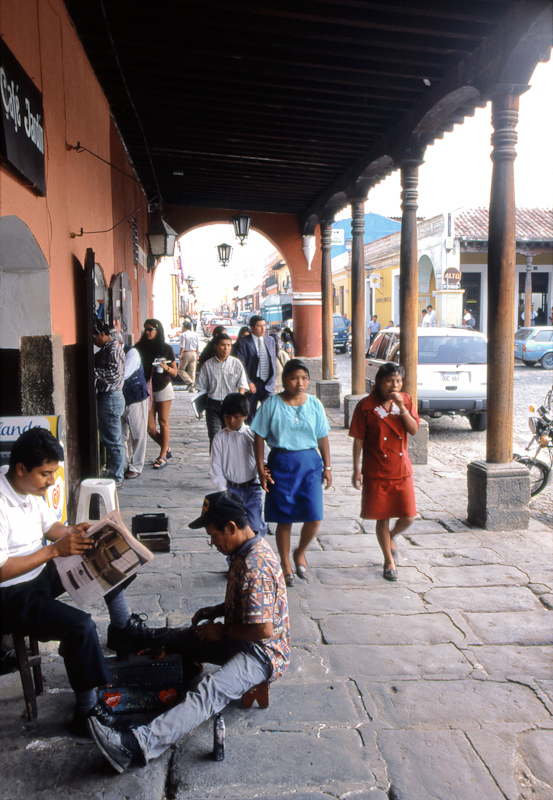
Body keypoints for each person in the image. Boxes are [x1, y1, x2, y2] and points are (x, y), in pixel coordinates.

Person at [86, 491, 291, 773]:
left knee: (208, 694)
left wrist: (222, 632)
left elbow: (263, 629)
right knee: (182, 637)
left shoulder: (256, 566)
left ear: (231, 527)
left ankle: (135, 746)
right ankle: (164, 655)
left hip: (263, 654)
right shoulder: (244, 550)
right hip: (241, 636)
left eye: (214, 535)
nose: (212, 542)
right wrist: (217, 610)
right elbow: (255, 605)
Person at [0, 428, 169, 737]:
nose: (51, 481)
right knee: (81, 626)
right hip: (10, 594)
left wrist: (73, 532)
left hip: (38, 574)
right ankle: (87, 712)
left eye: (53, 473)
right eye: (45, 474)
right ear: (21, 469)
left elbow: (49, 527)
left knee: (101, 556)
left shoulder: (29, 490)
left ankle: (122, 628)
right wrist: (54, 551)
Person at [251, 359, 331, 587]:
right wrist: (260, 468)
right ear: (284, 379)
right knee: (284, 519)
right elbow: (258, 436)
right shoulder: (271, 404)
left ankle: (300, 551)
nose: (300, 383)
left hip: (310, 465)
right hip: (282, 465)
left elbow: (322, 436)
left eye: (304, 378)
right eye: (294, 378)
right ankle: (285, 564)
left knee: (314, 516)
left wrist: (328, 466)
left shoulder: (315, 404)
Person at [349, 362, 420, 582]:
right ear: (379, 382)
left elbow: (414, 430)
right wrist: (356, 469)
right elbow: (358, 440)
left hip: (401, 467)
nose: (394, 386)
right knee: (382, 517)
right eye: (389, 381)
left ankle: (391, 536)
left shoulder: (406, 400)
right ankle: (389, 561)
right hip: (376, 469)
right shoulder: (366, 406)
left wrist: (403, 408)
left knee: (408, 516)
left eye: (398, 381)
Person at [209, 393, 268, 537]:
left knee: (255, 526)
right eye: (227, 417)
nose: (231, 421)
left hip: (252, 488)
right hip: (232, 490)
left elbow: (266, 457)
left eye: (236, 417)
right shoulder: (219, 438)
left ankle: (257, 548)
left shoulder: (253, 436)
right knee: (234, 529)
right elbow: (216, 467)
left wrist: (265, 470)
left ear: (245, 416)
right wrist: (223, 490)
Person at [135, 319, 177, 470]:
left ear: (157, 331)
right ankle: (166, 448)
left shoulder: (166, 348)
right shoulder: (140, 347)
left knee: (163, 421)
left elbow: (175, 372)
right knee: (150, 428)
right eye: (145, 329)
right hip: (147, 389)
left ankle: (162, 456)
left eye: (150, 329)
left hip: (163, 387)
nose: (147, 332)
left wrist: (166, 367)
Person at [196, 334, 249, 445]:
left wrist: (239, 403)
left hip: (231, 405)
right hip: (213, 405)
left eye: (229, 345)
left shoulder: (236, 364)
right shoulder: (208, 365)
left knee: (232, 435)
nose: (226, 348)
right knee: (215, 437)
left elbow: (242, 385)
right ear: (216, 346)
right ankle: (216, 456)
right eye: (223, 345)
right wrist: (199, 408)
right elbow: (201, 388)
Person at [93, 322, 126, 488]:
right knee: (111, 438)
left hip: (111, 397)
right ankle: (116, 473)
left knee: (113, 439)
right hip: (109, 397)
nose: (93, 340)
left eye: (95, 336)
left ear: (103, 334)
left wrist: (93, 372)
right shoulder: (107, 349)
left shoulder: (113, 349)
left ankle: (117, 476)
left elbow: (114, 375)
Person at [234, 315, 277, 421]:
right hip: (252, 383)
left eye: (264, 325)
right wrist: (248, 383)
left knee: (269, 414)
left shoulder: (270, 340)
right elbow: (241, 365)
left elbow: (272, 362)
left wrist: (273, 382)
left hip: (267, 384)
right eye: (259, 326)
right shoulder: (243, 342)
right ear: (252, 328)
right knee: (249, 414)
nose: (263, 329)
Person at [121, 345, 149, 479]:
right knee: (120, 435)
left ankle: (136, 466)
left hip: (136, 397)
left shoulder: (132, 352)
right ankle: (123, 464)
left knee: (138, 434)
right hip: (121, 399)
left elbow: (124, 374)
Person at [177, 321, 199, 392]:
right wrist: (197, 354)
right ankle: (192, 388)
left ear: (185, 327)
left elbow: (182, 346)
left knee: (180, 369)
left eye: (182, 327)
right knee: (192, 371)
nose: (182, 328)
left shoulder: (183, 335)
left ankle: (190, 382)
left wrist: (180, 355)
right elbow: (197, 346)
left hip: (186, 353)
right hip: (194, 353)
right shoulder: (195, 334)